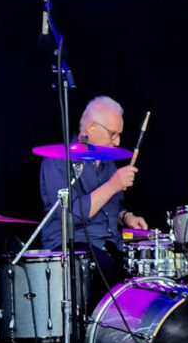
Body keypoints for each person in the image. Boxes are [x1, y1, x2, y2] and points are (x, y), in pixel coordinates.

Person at [39, 95, 147, 291]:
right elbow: (70, 216)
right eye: (113, 134)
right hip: (74, 250)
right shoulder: (57, 161)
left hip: (111, 247)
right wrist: (113, 185)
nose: (117, 142)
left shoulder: (108, 163)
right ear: (91, 128)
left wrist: (126, 217)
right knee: (109, 273)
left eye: (119, 135)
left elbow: (112, 207)